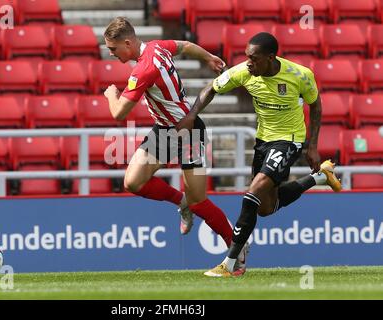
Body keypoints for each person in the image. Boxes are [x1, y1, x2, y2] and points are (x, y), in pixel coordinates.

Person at [176, 32, 342, 277]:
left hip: (289, 140)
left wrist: (312, 146)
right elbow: (211, 87)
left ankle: (231, 264)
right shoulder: (244, 72)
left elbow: (315, 105)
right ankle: (320, 177)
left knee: (251, 194)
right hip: (263, 141)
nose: (248, 62)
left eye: (254, 58)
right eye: (247, 57)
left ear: (270, 58)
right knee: (264, 207)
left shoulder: (300, 75)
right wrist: (191, 115)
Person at [102, 17, 249, 276]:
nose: (111, 54)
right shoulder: (157, 47)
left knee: (199, 201)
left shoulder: (143, 70)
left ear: (127, 42)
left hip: (188, 132)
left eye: (113, 49)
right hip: (166, 130)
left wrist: (111, 95)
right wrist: (208, 57)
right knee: (133, 182)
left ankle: (236, 251)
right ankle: (181, 203)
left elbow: (119, 114)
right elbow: (184, 45)